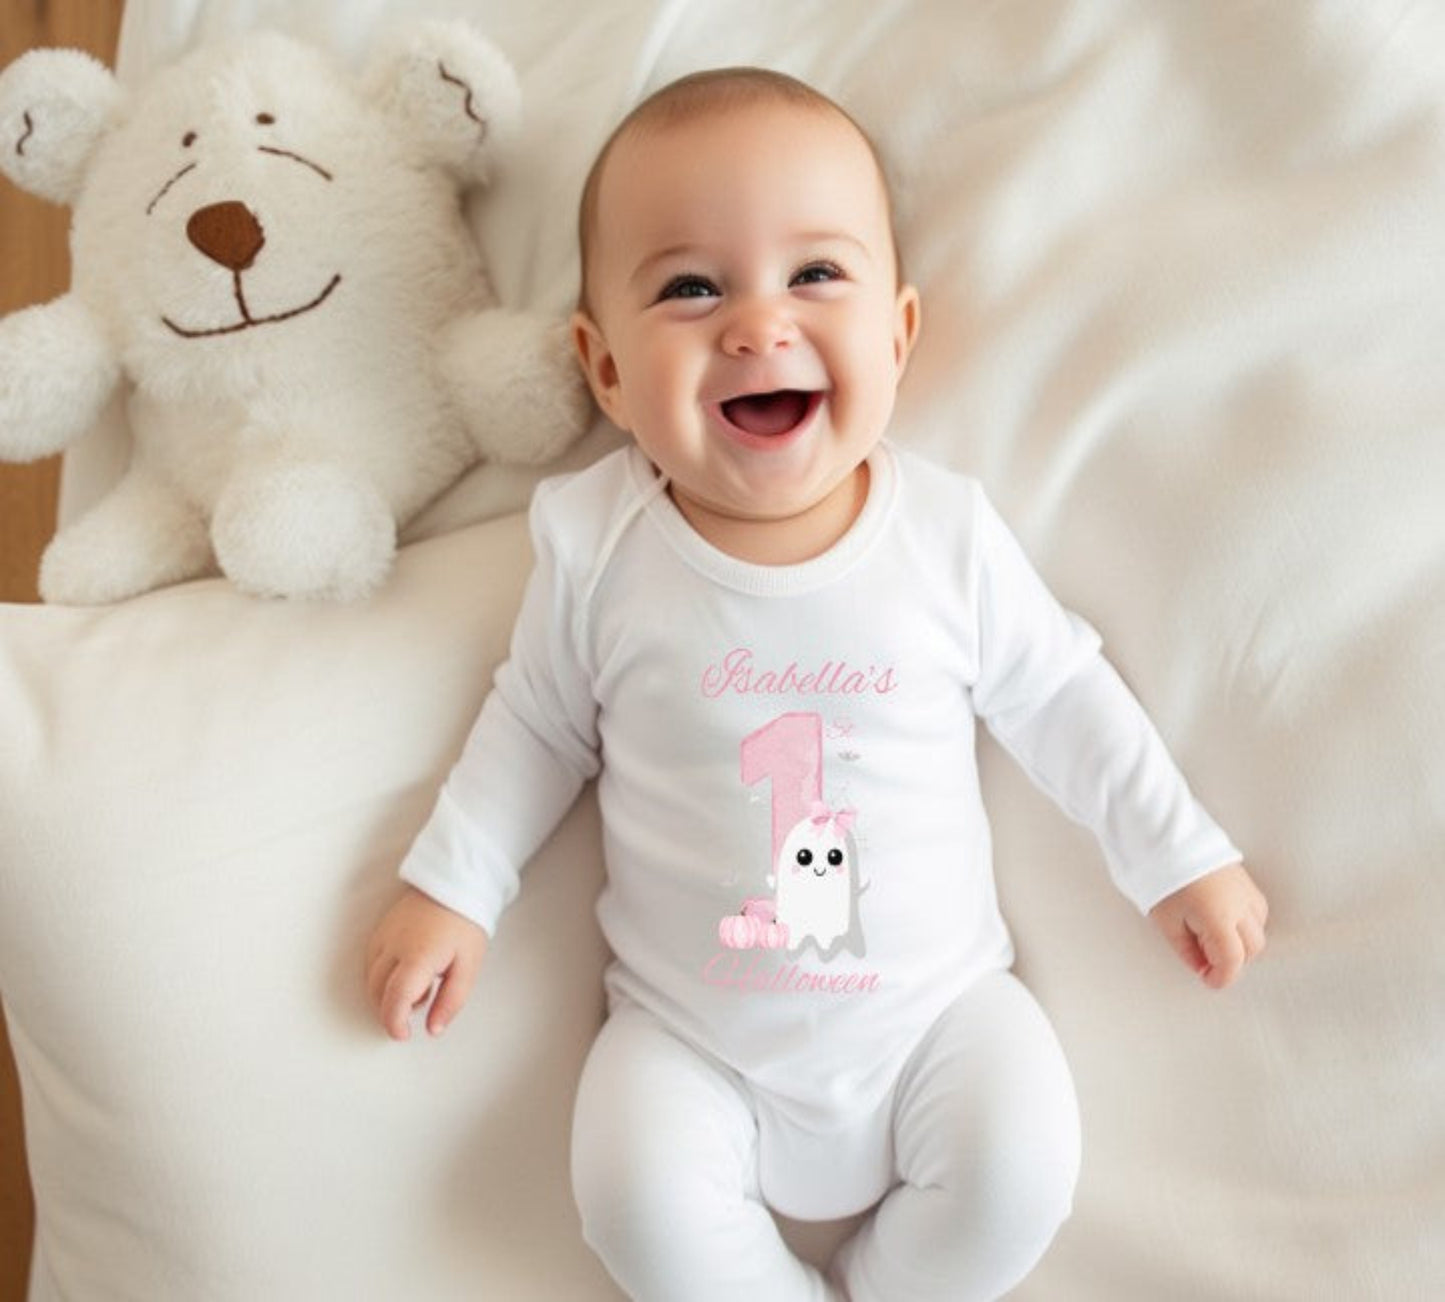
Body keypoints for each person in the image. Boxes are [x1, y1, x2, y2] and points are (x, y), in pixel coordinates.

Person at [366, 67, 1269, 1302]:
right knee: (631, 1199)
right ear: (605, 368)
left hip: (941, 1018)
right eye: (689, 287)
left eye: (814, 274)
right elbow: (534, 726)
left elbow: (1060, 695)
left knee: (1017, 1169)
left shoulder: (941, 537)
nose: (756, 325)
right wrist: (452, 887)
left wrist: (1172, 855)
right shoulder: (599, 550)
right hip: (688, 1043)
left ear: (896, 334)